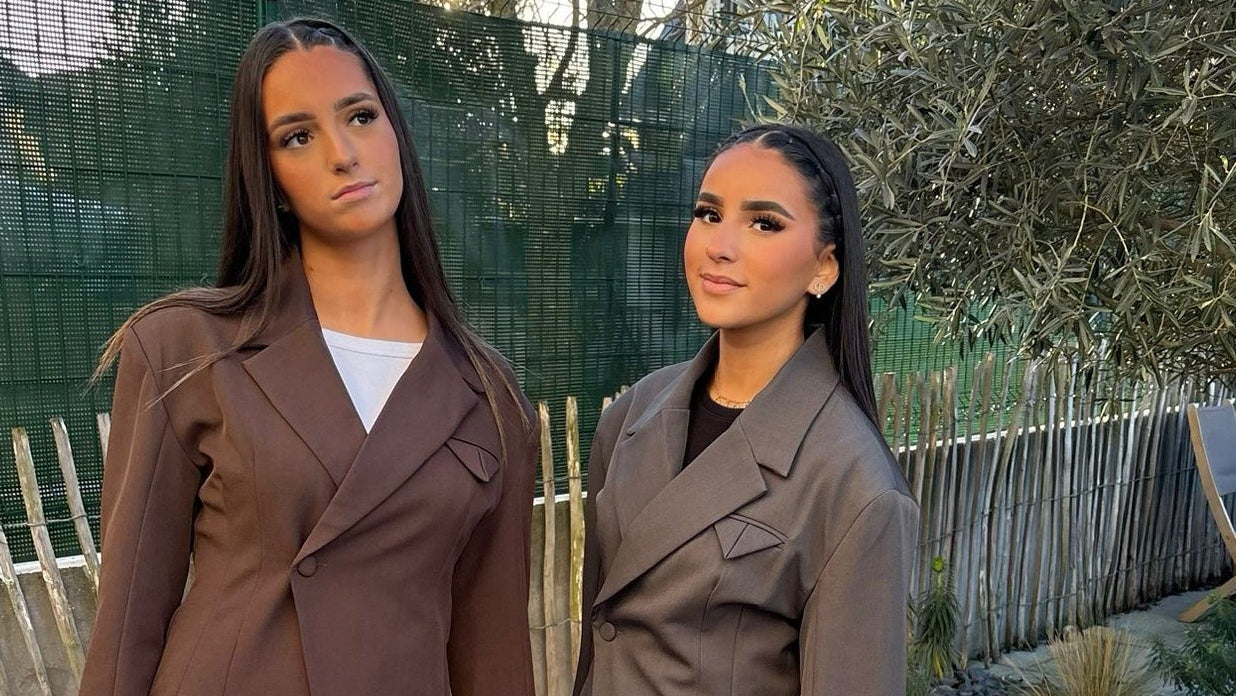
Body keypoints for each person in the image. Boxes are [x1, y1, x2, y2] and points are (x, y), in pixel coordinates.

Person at [80, 18, 537, 696]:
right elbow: (126, 630)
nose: (343, 154)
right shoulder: (186, 348)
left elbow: (492, 651)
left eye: (360, 117)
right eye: (298, 136)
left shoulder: (490, 396)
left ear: (396, 133)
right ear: (268, 177)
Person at [574, 123, 920, 695]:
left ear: (824, 267)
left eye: (764, 223)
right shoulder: (631, 416)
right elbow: (599, 642)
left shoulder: (855, 485)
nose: (720, 245)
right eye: (709, 214)